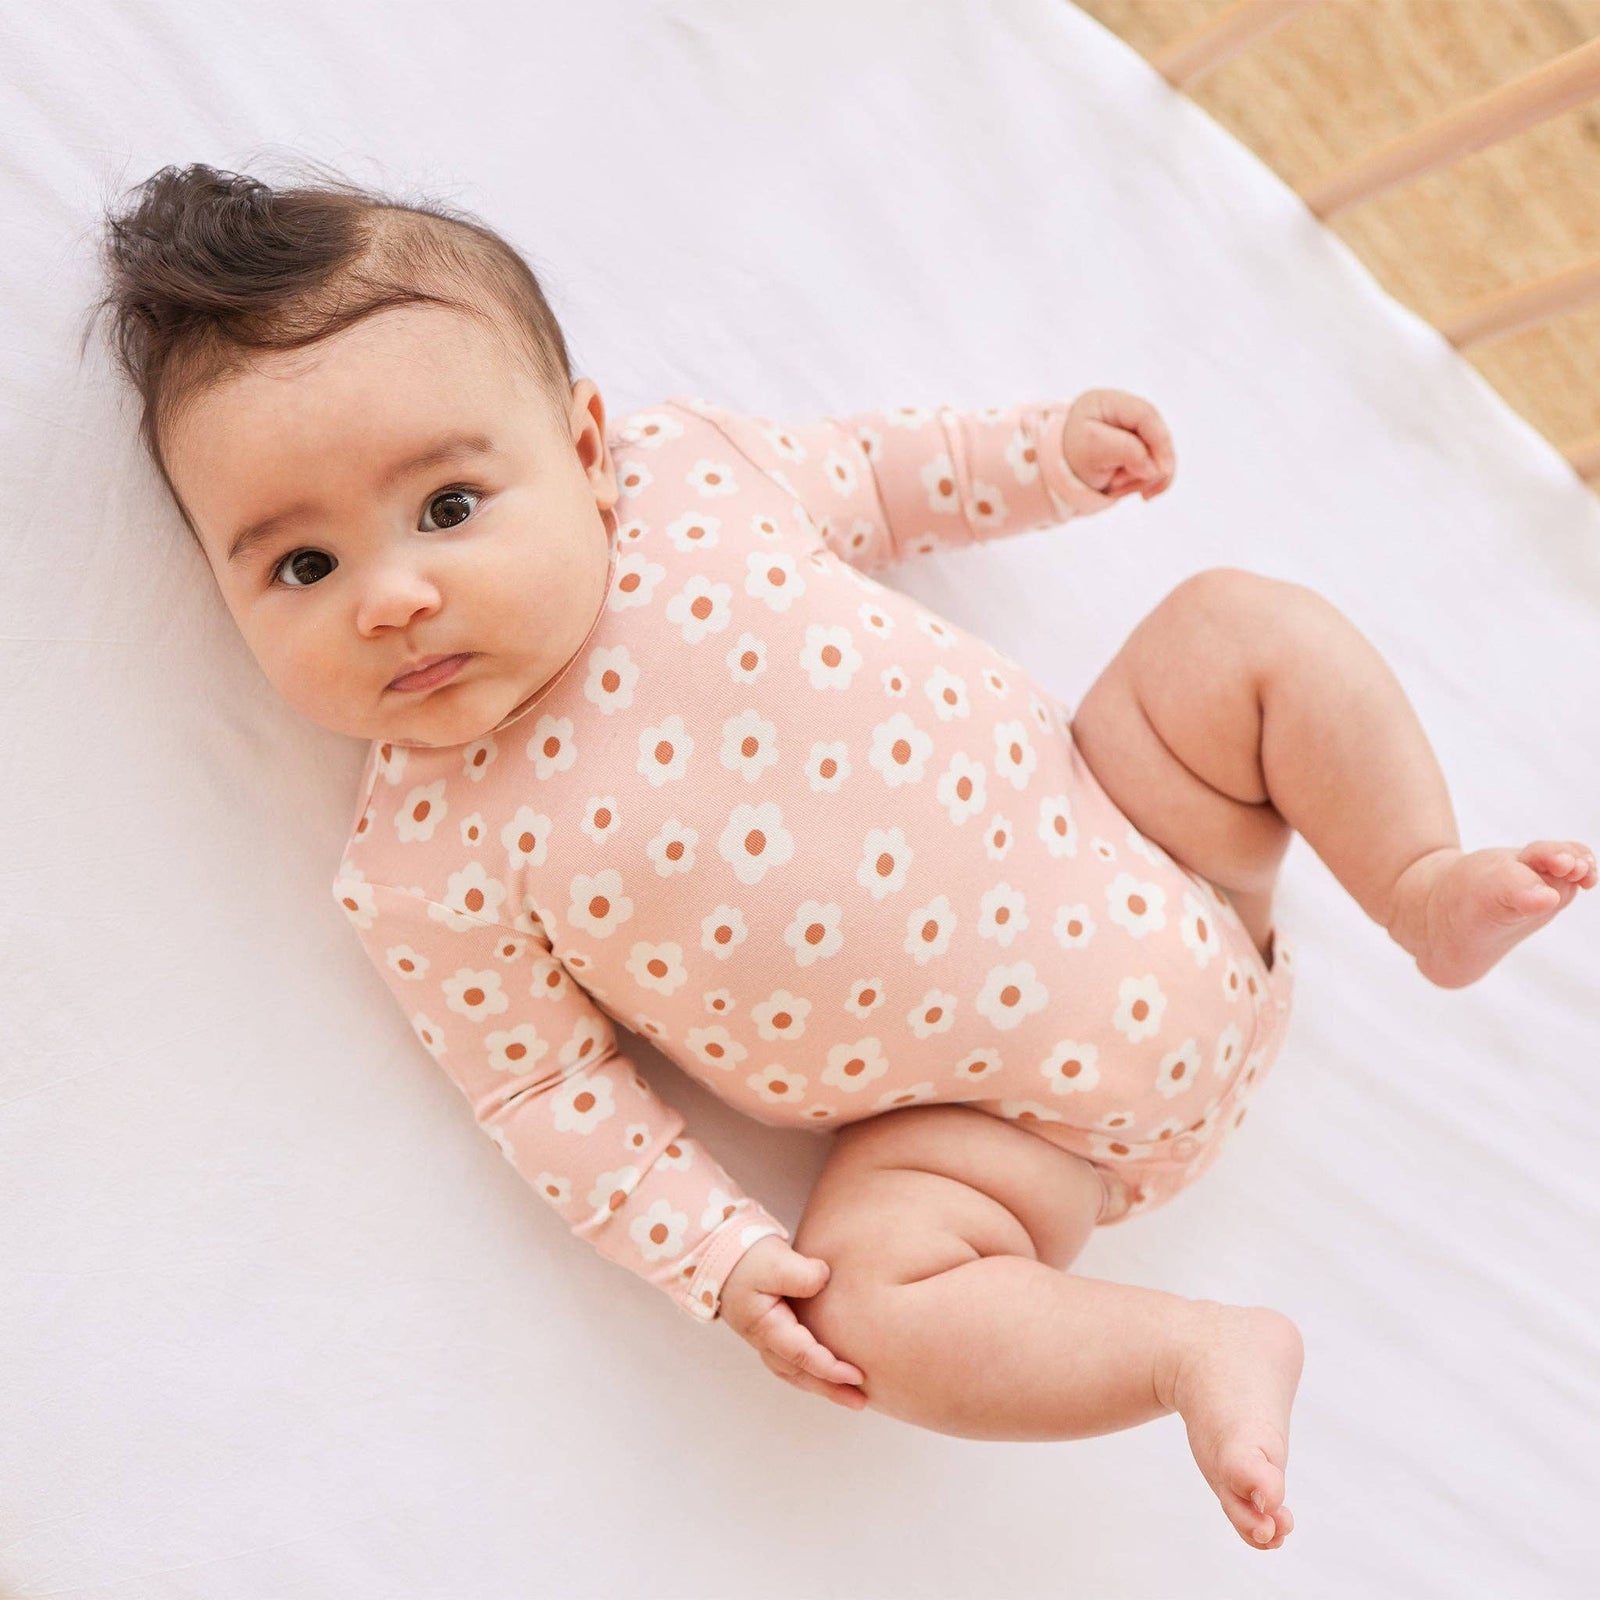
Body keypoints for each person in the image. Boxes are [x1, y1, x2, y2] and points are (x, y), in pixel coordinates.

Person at [90, 160, 1595, 1553]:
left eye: (449, 505)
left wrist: (1046, 458)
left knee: (1238, 627)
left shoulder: (688, 485)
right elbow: (548, 1095)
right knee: (874, 1302)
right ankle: (1189, 1350)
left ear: (586, 444)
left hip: (1163, 836)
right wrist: (722, 1261)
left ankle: (1417, 881)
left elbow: (882, 480)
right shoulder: (425, 858)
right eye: (302, 565)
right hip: (989, 1143)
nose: (395, 596)